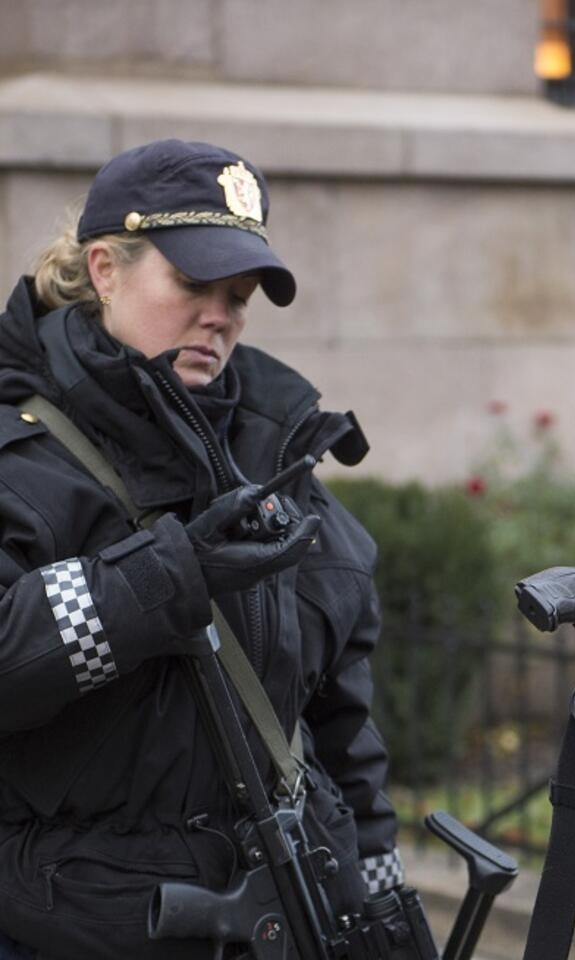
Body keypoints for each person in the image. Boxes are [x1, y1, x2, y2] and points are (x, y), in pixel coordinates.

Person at [0, 139, 403, 958]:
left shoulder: (272, 447)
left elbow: (338, 711)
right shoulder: (19, 450)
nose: (219, 316)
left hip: (272, 921)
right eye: (192, 285)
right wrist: (159, 579)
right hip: (69, 928)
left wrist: (379, 887)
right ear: (105, 269)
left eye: (238, 297)